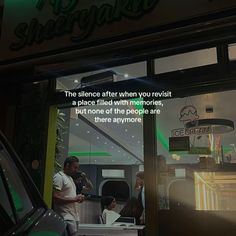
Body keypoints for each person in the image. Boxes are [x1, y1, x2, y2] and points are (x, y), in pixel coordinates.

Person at [53, 156, 85, 236]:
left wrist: (78, 198)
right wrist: (75, 199)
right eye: (74, 167)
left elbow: (69, 196)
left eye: (77, 168)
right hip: (65, 217)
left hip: (73, 216)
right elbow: (55, 197)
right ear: (67, 165)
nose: (76, 170)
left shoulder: (70, 178)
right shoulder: (59, 177)